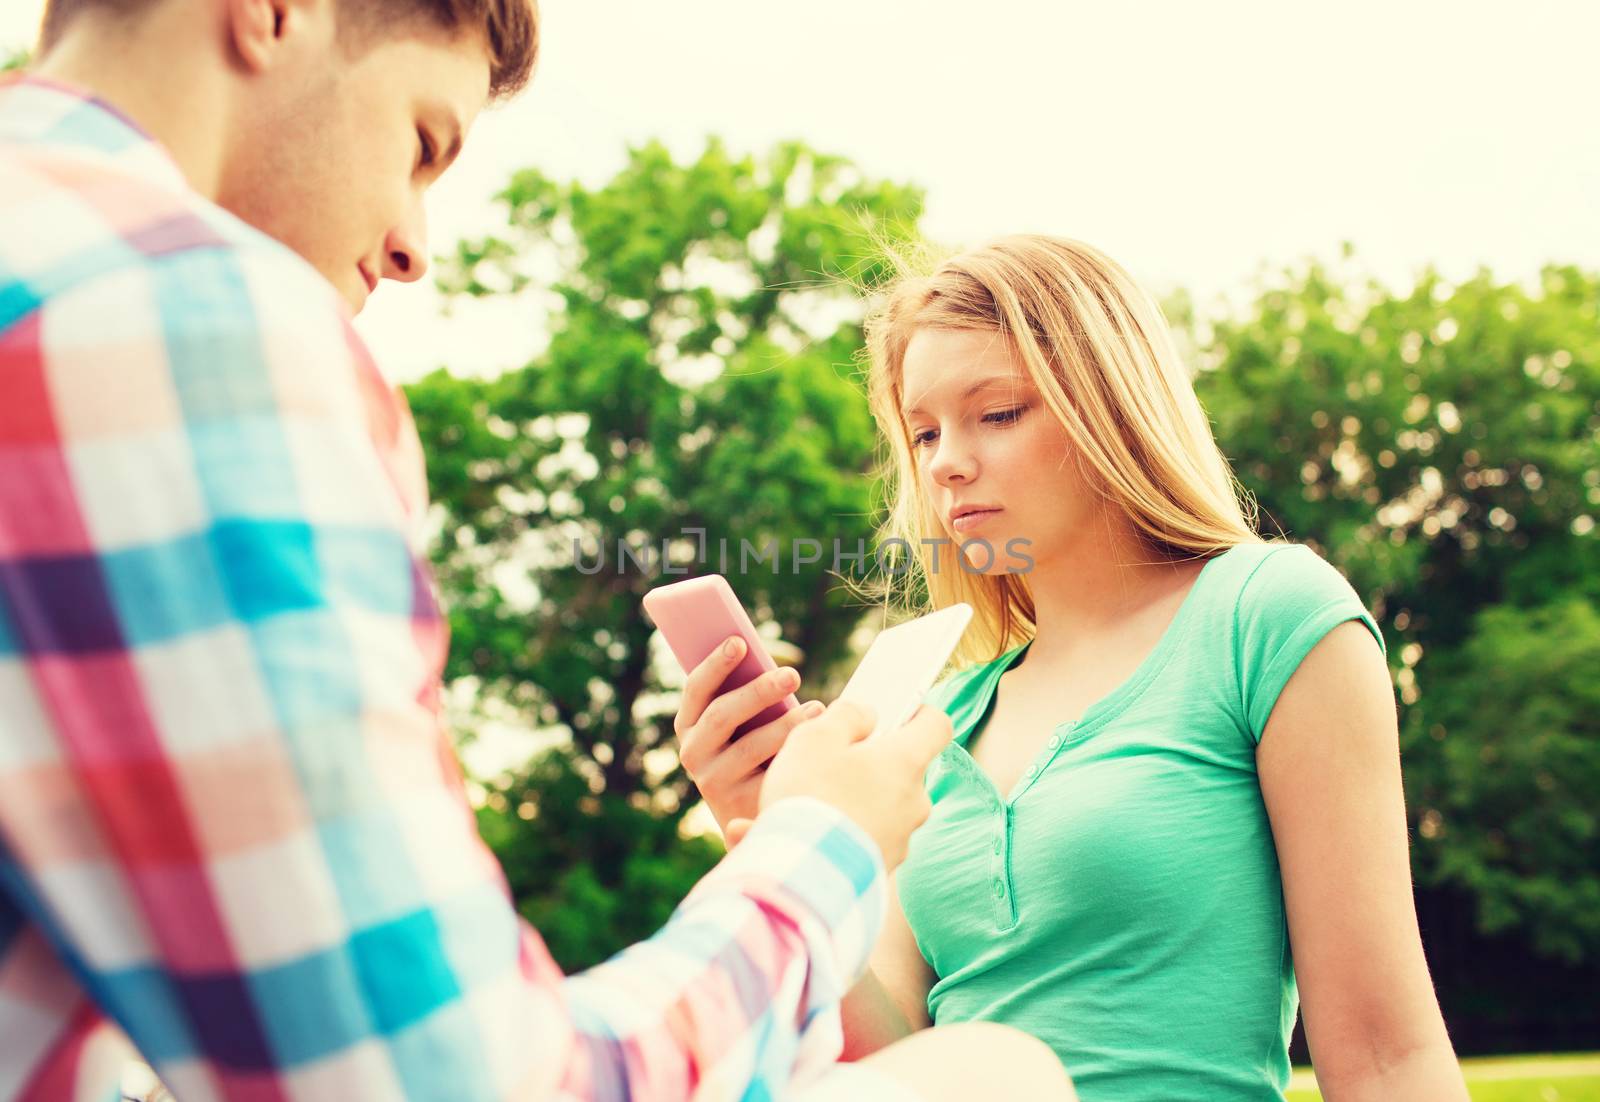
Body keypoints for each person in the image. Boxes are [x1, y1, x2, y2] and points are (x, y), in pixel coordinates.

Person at [0, 0, 1079, 1097]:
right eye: (423, 144)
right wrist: (818, 843)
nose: (413, 243)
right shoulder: (182, 319)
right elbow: (464, 1084)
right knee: (998, 1073)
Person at [675, 236, 1471, 1100]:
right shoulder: (933, 719)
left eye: (999, 412)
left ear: (1110, 407)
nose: (944, 461)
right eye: (924, 432)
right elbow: (894, 1049)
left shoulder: (1265, 615)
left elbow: (1388, 1056)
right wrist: (769, 831)